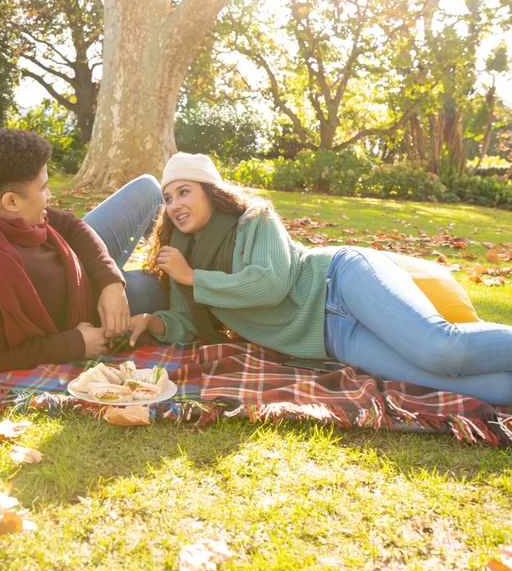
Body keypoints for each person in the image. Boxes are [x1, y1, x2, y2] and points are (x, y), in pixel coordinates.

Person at [127, 152, 512, 406]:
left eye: (184, 191)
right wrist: (152, 322)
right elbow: (186, 322)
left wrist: (194, 277)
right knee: (480, 388)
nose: (175, 204)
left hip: (340, 281)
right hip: (334, 339)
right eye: (168, 197)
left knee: (440, 350)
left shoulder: (254, 219)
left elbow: (271, 283)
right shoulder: (179, 259)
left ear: (211, 192)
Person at [0, 128, 165, 375]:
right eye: (43, 188)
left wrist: (111, 281)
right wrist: (75, 344)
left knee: (147, 187)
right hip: (86, 305)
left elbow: (72, 226)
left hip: (78, 263)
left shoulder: (1, 216)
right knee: (169, 283)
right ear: (11, 201)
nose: (49, 197)